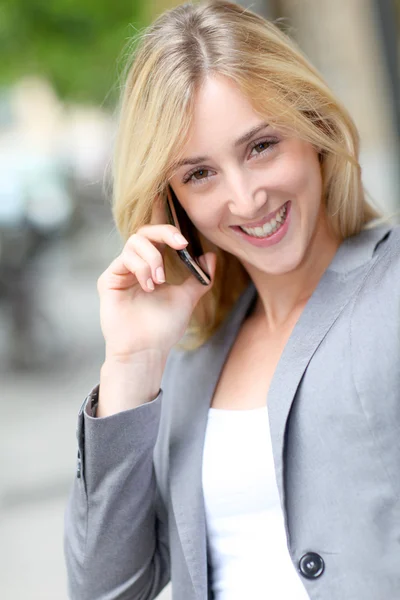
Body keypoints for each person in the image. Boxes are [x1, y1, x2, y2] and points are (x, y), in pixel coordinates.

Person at [64, 1, 400, 599]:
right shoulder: (189, 363)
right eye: (199, 174)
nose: (246, 199)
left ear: (312, 125)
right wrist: (132, 366)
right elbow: (106, 590)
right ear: (172, 202)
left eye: (260, 145)